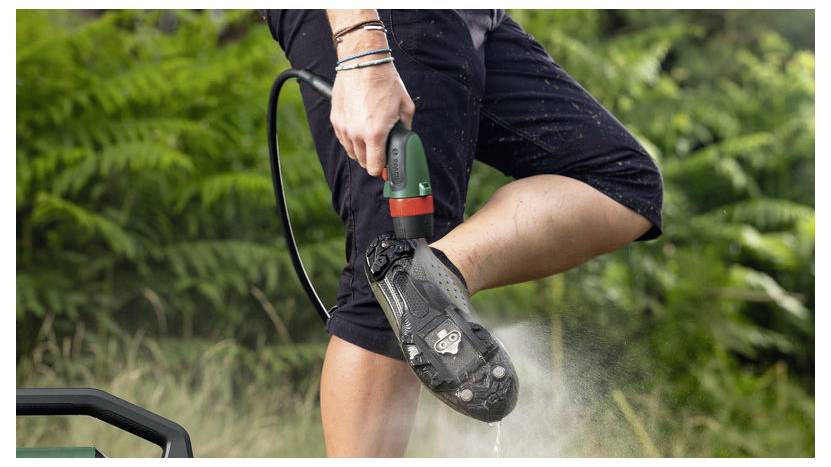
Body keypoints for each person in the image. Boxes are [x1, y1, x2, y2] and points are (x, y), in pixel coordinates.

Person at [261, 9, 663, 457]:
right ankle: (415, 279)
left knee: (623, 180)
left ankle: (429, 276)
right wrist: (361, 44)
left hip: (466, 16)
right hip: (383, 21)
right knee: (383, 290)